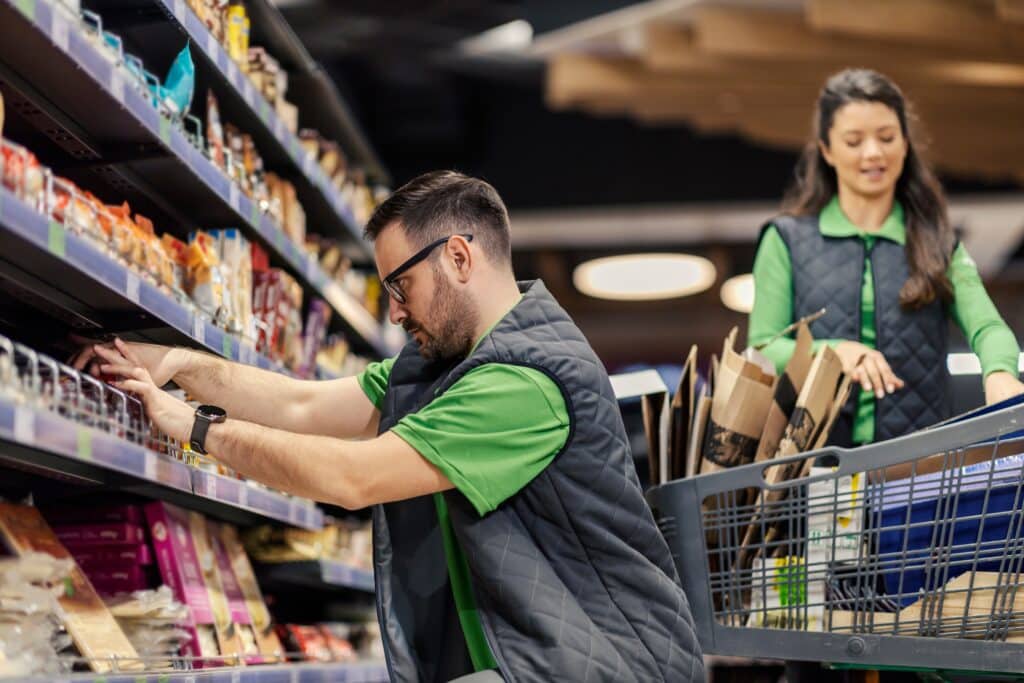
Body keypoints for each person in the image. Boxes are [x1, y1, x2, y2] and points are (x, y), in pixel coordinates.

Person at [74, 171, 703, 683]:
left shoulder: (521, 383)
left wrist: (195, 426)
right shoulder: (443, 365)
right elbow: (301, 407)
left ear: (459, 256)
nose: (395, 311)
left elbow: (352, 477)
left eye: (401, 285)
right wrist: (180, 364)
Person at [749, 68, 1023, 449]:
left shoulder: (938, 242)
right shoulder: (786, 241)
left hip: (917, 471)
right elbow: (763, 347)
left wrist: (1000, 374)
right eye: (854, 140)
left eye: (886, 137)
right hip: (814, 470)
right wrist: (833, 353)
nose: (873, 152)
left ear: (905, 144)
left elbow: (988, 328)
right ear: (826, 150)